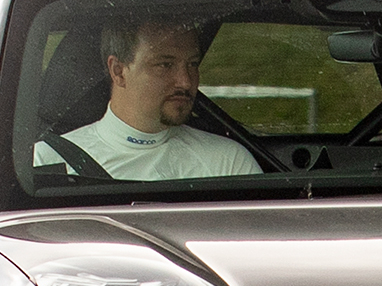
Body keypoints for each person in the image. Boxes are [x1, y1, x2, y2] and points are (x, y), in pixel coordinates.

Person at [38, 19, 258, 180]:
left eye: (192, 64)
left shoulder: (228, 162)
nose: (185, 81)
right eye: (165, 65)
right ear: (119, 71)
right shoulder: (48, 162)